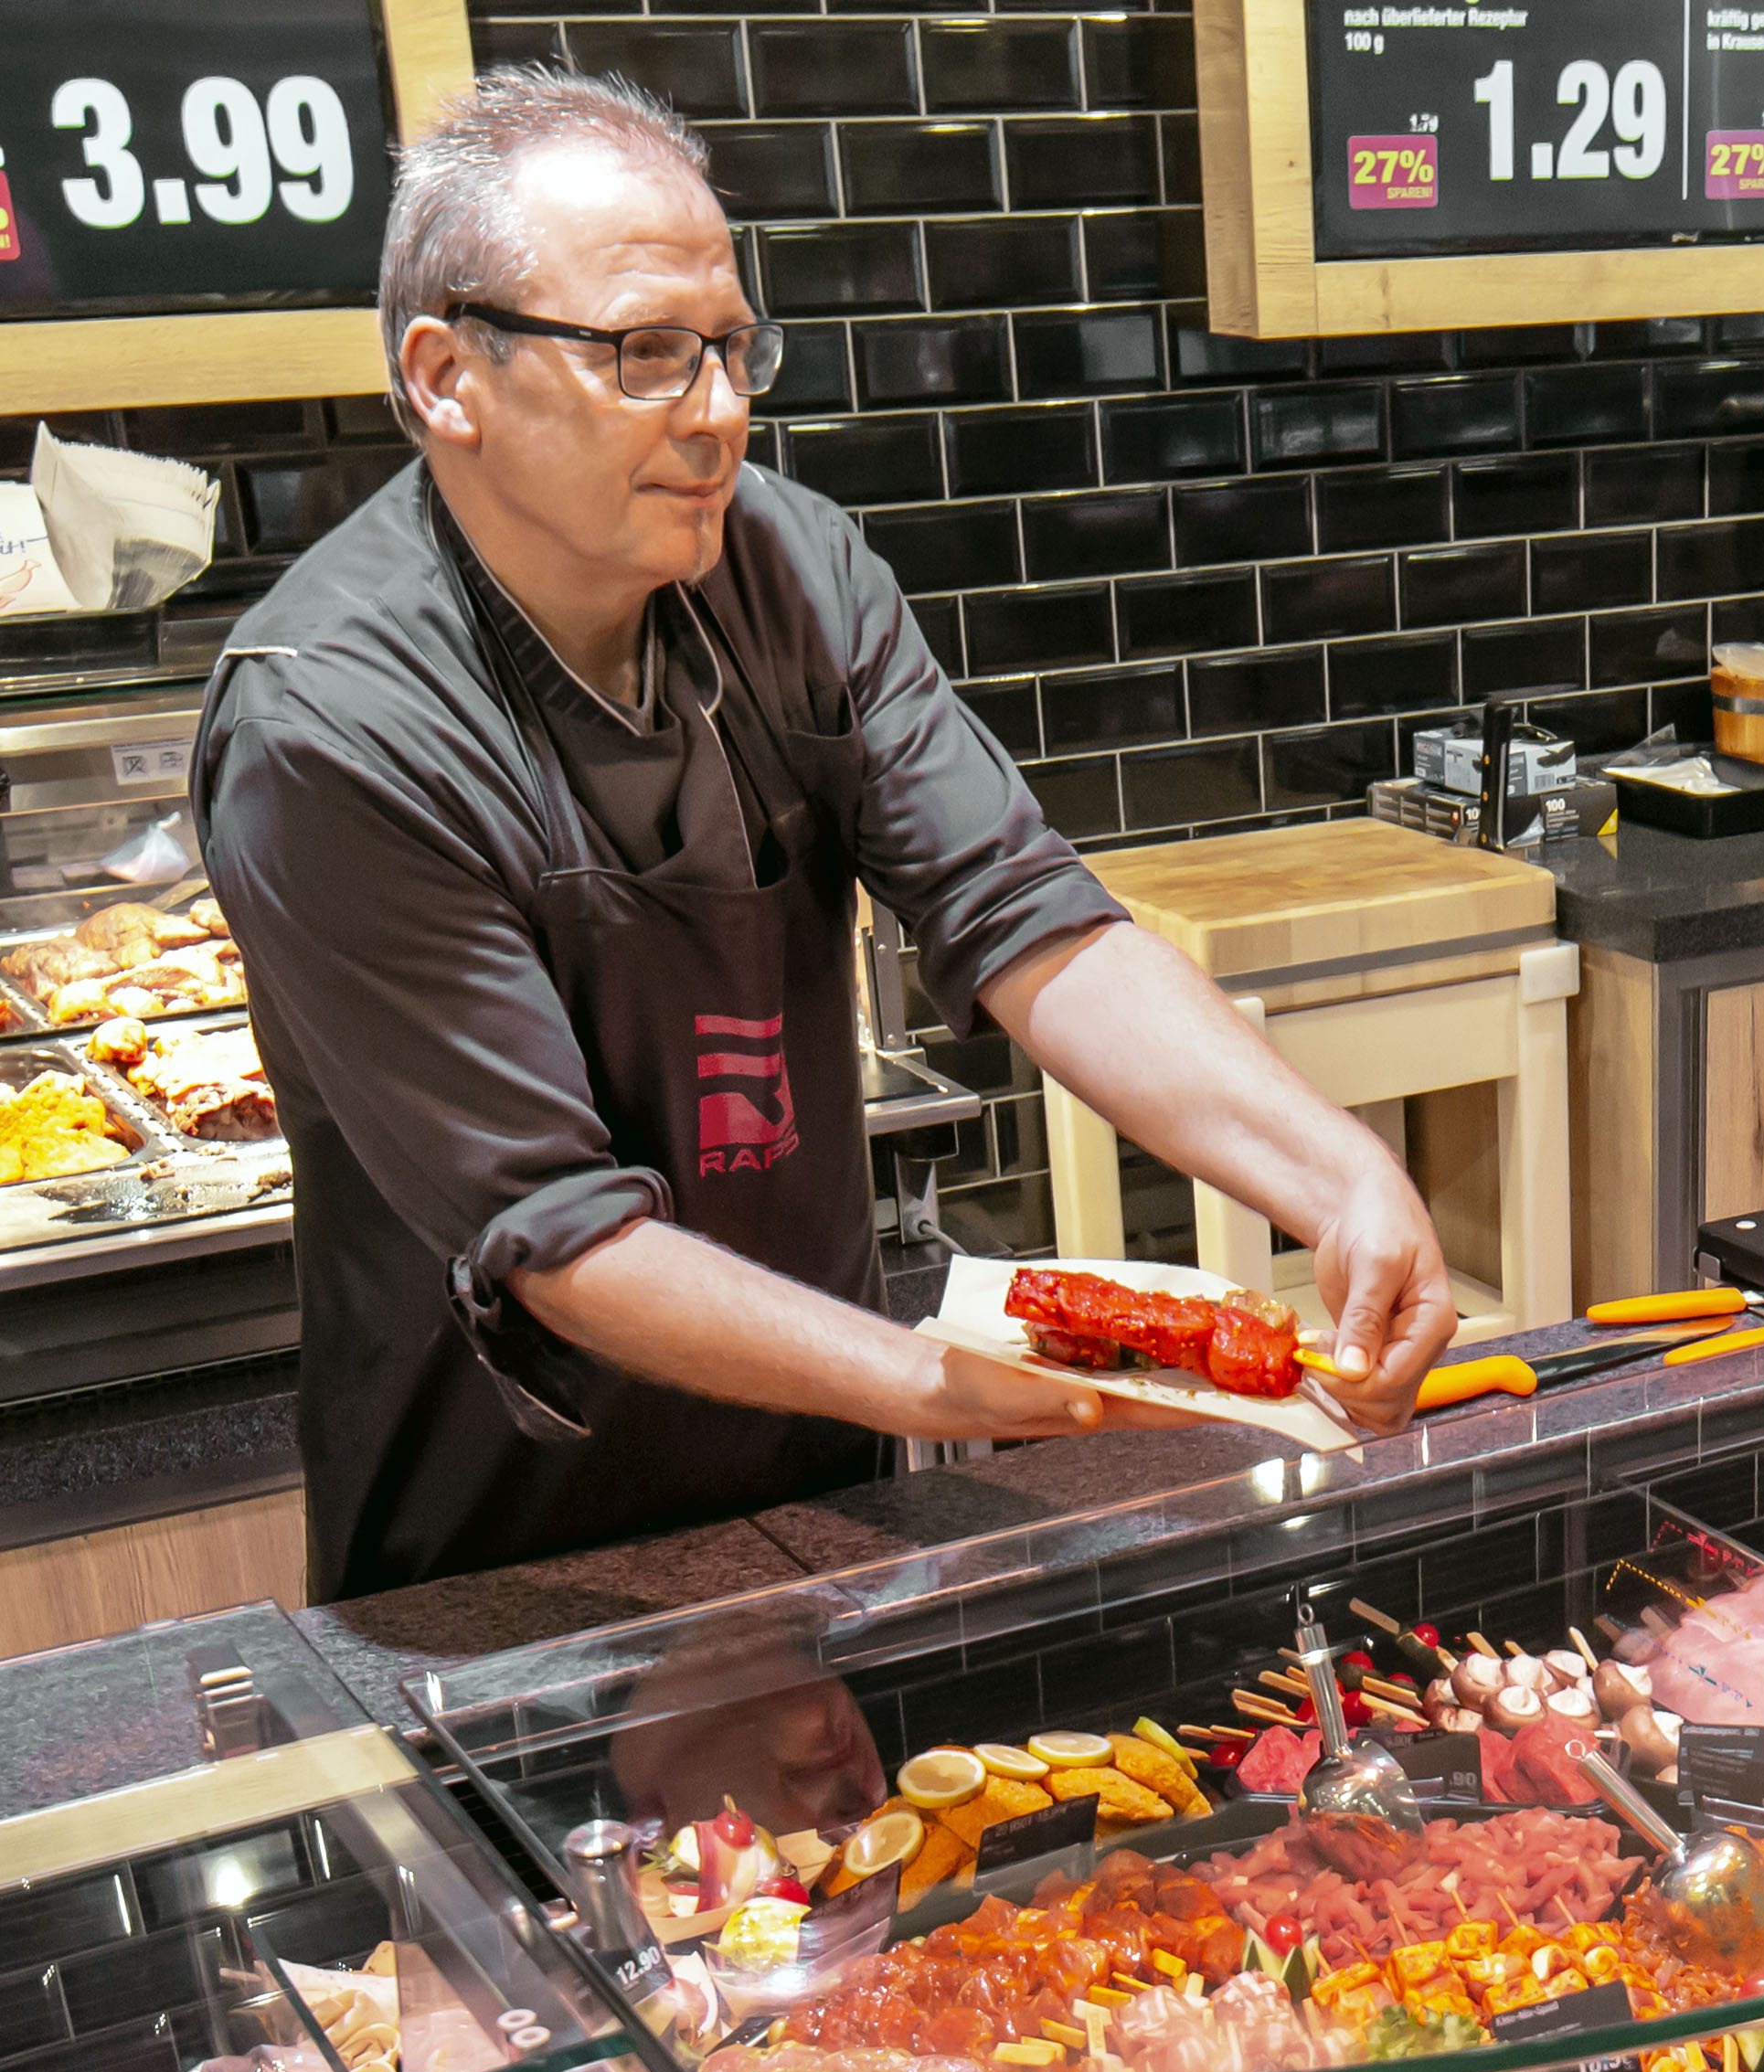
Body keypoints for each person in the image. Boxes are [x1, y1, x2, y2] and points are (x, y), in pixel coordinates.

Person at [194, 69, 1458, 1598]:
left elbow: (1021, 911)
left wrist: (1337, 1176)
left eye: (731, 347)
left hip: (822, 1480)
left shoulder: (789, 571)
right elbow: (560, 1230)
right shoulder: (329, 726)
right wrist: (929, 1382)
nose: (721, 411)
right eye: (646, 355)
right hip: (507, 1561)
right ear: (448, 375)